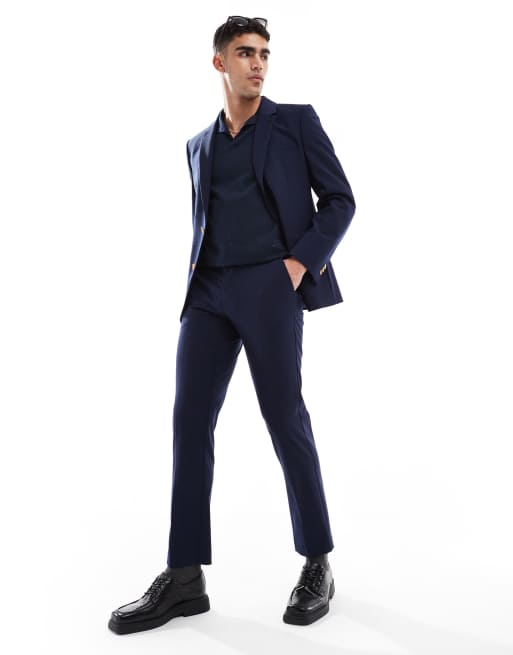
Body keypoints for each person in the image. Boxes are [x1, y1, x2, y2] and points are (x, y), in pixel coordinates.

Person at [108, 15, 356, 634]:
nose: (258, 63)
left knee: (284, 418)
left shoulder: (295, 123)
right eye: (245, 53)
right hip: (208, 295)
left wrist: (297, 264)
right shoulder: (199, 145)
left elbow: (340, 200)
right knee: (189, 422)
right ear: (220, 62)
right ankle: (184, 578)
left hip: (270, 288)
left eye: (264, 53)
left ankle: (317, 562)